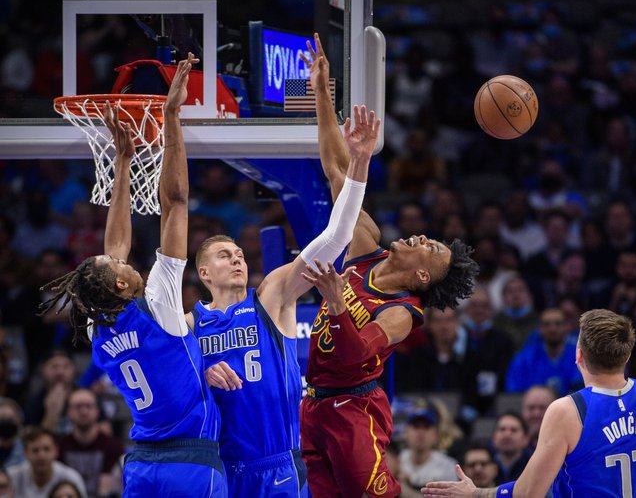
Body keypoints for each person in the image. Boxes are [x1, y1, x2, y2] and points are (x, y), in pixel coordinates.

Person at [190, 49, 380, 497]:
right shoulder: (189, 326)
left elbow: (335, 239)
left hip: (278, 464)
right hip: (221, 468)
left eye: (238, 251)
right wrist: (201, 368)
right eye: (222, 254)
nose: (236, 258)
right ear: (202, 272)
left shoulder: (271, 295)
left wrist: (360, 164)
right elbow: (158, 377)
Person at [38, 54, 227, 497]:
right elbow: (176, 202)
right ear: (122, 285)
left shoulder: (97, 320)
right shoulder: (157, 302)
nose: (126, 260)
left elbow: (113, 250)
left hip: (141, 465)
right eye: (122, 267)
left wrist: (123, 163)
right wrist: (171, 116)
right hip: (190, 460)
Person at [299, 34, 478, 498]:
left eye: (431, 247)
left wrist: (338, 305)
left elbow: (358, 356)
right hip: (315, 406)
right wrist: (320, 93)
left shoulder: (402, 311)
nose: (422, 236)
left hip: (356, 411)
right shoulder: (369, 248)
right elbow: (336, 175)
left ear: (422, 276)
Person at [421, 309, 636, 497]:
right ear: (627, 355)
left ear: (578, 356)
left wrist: (475, 494)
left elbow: (528, 493)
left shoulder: (567, 411)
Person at [58, 388, 123, 497]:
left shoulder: (114, 446)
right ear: (68, 412)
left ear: (97, 411)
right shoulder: (60, 446)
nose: (84, 411)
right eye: (78, 407)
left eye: (89, 406)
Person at [7, 427, 86, 498]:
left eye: (46, 449)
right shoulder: (11, 478)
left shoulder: (71, 478)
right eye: (35, 450)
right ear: (25, 454)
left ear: (56, 451)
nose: (41, 456)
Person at [398, 405, 458, 497]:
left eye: (426, 427)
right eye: (416, 426)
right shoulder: (395, 461)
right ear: (406, 432)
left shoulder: (448, 466)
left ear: (436, 434)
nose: (420, 432)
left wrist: (404, 489)